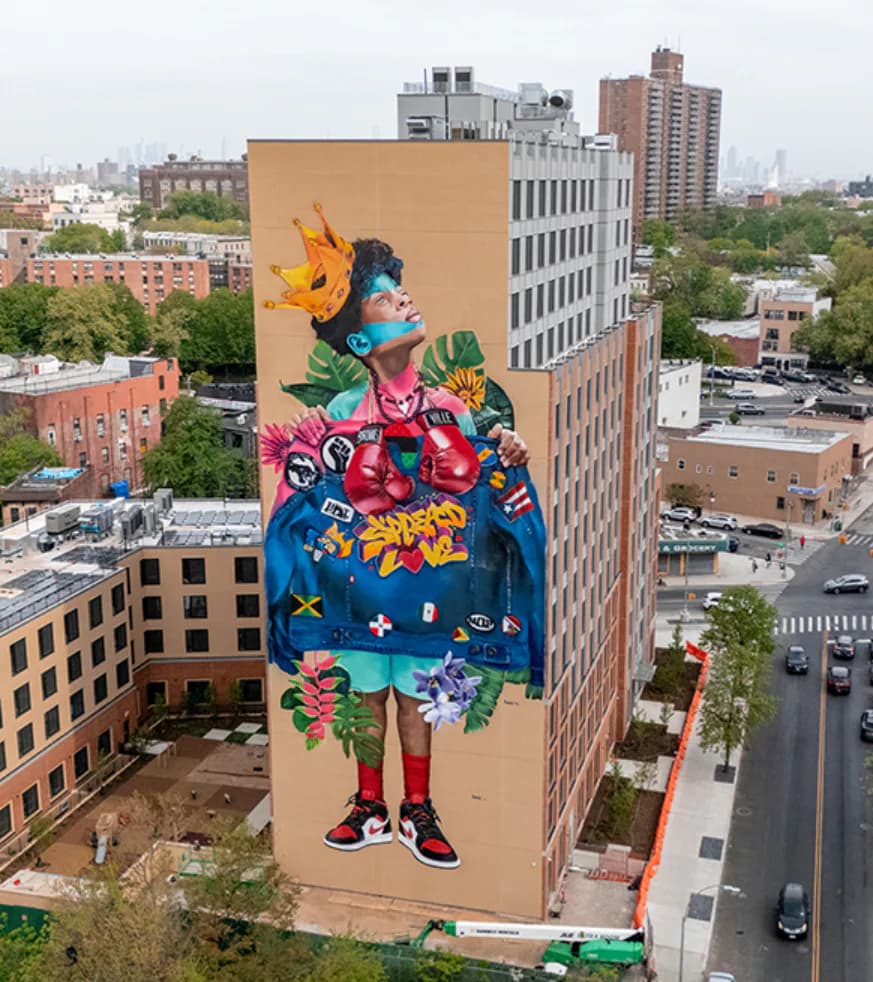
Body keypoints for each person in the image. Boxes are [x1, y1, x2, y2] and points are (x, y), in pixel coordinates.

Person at [265, 206, 531, 870]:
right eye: (384, 296)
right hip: (357, 589)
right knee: (363, 693)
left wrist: (506, 445)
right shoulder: (333, 420)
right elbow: (296, 504)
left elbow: (484, 479)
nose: (403, 298)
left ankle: (416, 808)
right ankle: (368, 805)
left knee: (415, 694)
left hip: (429, 590)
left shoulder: (452, 409)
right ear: (359, 342)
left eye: (397, 289)